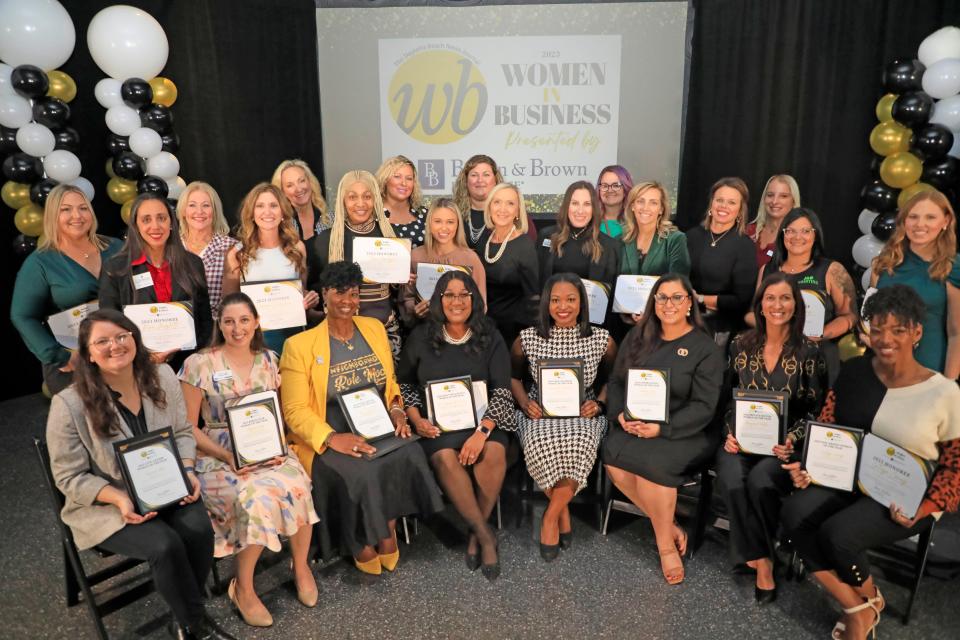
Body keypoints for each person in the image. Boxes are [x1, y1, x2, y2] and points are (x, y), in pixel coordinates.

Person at [781, 285, 960, 640]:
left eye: (898, 329)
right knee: (792, 515)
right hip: (850, 480)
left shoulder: (944, 393)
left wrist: (924, 508)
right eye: (877, 329)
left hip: (906, 498)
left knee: (839, 535)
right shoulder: (855, 371)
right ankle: (861, 605)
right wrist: (808, 466)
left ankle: (860, 608)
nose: (885, 338)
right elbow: (828, 425)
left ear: (917, 332)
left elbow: (955, 468)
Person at [46, 309, 235, 639]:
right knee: (165, 545)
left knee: (199, 530)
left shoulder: (161, 376)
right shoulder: (70, 404)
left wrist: (188, 469)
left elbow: (182, 432)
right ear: (88, 353)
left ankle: (185, 616)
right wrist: (117, 497)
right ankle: (195, 625)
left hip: (169, 483)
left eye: (122, 336)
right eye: (102, 341)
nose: (115, 345)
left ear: (135, 338)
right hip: (109, 503)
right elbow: (69, 477)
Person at [280, 261, 443, 574]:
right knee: (361, 471)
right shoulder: (299, 346)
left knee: (409, 452)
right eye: (339, 293)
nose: (347, 301)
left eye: (354, 294)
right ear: (324, 295)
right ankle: (360, 539)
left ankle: (387, 529)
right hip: (330, 432)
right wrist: (331, 438)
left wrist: (396, 408)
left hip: (377, 424)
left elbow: (390, 382)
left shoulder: (373, 329)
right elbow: (295, 410)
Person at [179, 292, 319, 628]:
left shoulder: (270, 359)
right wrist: (227, 454)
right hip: (217, 452)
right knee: (255, 497)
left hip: (266, 446)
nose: (237, 328)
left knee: (297, 482)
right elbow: (186, 427)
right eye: (229, 321)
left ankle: (299, 566)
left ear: (256, 322)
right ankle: (243, 587)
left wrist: (277, 448)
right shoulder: (199, 364)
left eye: (244, 320)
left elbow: (281, 414)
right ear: (220, 325)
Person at [602, 274, 724, 584]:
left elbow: (704, 406)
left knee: (652, 467)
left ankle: (665, 545)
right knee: (613, 456)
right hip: (635, 423)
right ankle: (668, 525)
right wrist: (618, 416)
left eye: (676, 297)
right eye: (662, 297)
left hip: (685, 430)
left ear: (689, 304)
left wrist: (662, 428)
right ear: (653, 303)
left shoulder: (704, 347)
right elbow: (616, 381)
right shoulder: (638, 336)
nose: (669, 304)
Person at [715, 273, 828, 603]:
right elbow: (726, 397)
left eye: (785, 298)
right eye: (770, 298)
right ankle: (764, 559)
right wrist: (729, 433)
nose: (777, 305)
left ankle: (754, 554)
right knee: (734, 478)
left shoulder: (810, 352)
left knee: (762, 481)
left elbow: (817, 411)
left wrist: (791, 439)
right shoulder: (740, 344)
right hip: (740, 440)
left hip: (784, 448)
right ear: (760, 305)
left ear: (796, 305)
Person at [397, 271, 512, 580]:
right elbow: (405, 384)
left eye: (464, 295)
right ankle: (485, 535)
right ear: (439, 300)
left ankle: (475, 534)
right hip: (438, 426)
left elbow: (502, 390)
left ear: (473, 299)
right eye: (449, 294)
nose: (457, 301)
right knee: (446, 458)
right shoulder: (421, 336)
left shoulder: (489, 334)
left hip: (484, 421)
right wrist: (417, 418)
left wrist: (482, 431)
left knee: (494, 453)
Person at [510, 274, 616, 561]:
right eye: (555, 300)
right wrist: (524, 403)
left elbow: (612, 381)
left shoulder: (601, 340)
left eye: (570, 299)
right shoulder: (527, 338)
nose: (563, 307)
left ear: (582, 303)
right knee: (537, 441)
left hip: (584, 409)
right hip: (539, 410)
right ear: (546, 304)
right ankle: (564, 514)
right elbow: (514, 379)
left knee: (581, 440)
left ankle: (550, 517)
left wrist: (600, 405)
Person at [11, 184, 122, 395]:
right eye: (66, 209)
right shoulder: (40, 262)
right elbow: (22, 316)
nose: (76, 215)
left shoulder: (115, 247)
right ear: (53, 216)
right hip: (75, 363)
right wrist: (58, 356)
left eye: (83, 208)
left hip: (119, 355)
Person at [99, 193, 212, 373]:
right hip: (138, 367)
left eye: (162, 218)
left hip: (188, 367)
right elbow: (109, 323)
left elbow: (205, 320)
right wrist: (143, 354)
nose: (155, 226)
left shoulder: (193, 263)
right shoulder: (116, 268)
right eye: (146, 220)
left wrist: (191, 353)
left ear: (171, 223)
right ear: (136, 226)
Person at [753, 208, 857, 382]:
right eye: (791, 231)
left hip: (818, 359)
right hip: (773, 357)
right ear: (782, 234)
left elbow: (851, 315)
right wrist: (770, 329)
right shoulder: (767, 270)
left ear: (815, 235)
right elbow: (752, 313)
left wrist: (822, 334)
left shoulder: (832, 270)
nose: (797, 236)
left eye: (805, 231)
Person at [310, 170, 405, 357]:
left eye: (367, 196)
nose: (361, 203)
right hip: (342, 330)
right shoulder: (327, 241)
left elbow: (396, 290)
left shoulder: (389, 235)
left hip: (385, 328)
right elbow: (319, 289)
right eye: (352, 197)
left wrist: (403, 278)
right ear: (343, 201)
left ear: (375, 199)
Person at [869, 189, 959, 379]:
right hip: (883, 371)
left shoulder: (953, 267)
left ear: (946, 222)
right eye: (913, 217)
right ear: (904, 221)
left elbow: (956, 334)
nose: (920, 224)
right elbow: (870, 321)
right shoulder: (883, 264)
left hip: (930, 372)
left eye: (930, 217)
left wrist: (948, 385)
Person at [223, 183, 318, 355]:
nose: (267, 212)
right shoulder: (237, 253)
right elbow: (228, 305)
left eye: (273, 205)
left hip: (292, 338)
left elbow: (301, 294)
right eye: (260, 206)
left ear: (282, 212)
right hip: (252, 342)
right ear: (251, 213)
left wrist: (309, 300)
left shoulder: (297, 248)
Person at [686, 177, 758, 346]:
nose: (724, 206)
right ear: (711, 203)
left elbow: (741, 301)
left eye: (732, 202)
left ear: (740, 210)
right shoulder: (691, 236)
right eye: (719, 200)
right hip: (685, 320)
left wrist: (701, 298)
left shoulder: (744, 245)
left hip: (721, 330)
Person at [402, 198, 487, 323]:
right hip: (424, 329)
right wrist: (415, 310)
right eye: (438, 221)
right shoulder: (415, 256)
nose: (444, 228)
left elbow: (481, 304)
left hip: (461, 331)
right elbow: (406, 298)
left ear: (457, 224)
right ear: (429, 224)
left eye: (450, 222)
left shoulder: (470, 258)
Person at [476, 182, 540, 347]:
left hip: (513, 333)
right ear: (489, 207)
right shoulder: (483, 241)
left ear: (517, 211)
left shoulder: (524, 245)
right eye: (497, 202)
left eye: (510, 203)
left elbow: (533, 297)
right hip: (482, 329)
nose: (502, 208)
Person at [536, 181, 620, 291]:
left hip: (591, 308)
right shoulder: (546, 236)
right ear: (567, 206)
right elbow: (536, 282)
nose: (580, 211)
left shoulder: (610, 246)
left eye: (587, 204)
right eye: (575, 203)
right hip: (551, 307)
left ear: (594, 209)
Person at [176, 181, 238, 321]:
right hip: (177, 331)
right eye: (192, 205)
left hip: (218, 332)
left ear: (214, 211)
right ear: (183, 211)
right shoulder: (170, 248)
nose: (199, 212)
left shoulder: (231, 248)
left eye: (206, 205)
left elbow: (236, 301)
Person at [619, 181, 690, 279]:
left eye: (653, 203)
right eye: (640, 201)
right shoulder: (619, 239)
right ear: (632, 206)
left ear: (661, 209)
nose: (645, 207)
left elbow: (678, 281)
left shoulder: (675, 240)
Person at [745, 175, 800, 268]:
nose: (774, 201)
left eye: (783, 196)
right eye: (770, 195)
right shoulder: (748, 231)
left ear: (793, 201)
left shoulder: (797, 239)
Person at [271, 159, 331, 243]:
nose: (298, 189)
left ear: (310, 182)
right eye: (289, 185)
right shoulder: (278, 225)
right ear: (282, 192)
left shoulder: (331, 219)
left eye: (302, 181)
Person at [453, 154, 504, 250]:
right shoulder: (453, 213)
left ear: (496, 180)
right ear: (465, 181)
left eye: (486, 175)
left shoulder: (508, 214)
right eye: (474, 175)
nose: (480, 180)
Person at [376, 155, 428, 247]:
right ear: (385, 180)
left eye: (409, 178)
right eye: (397, 176)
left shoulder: (426, 215)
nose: (404, 183)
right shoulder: (372, 215)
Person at [596, 164, 634, 238]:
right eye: (605, 186)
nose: (610, 190)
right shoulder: (591, 223)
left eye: (616, 185)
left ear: (626, 188)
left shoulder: (637, 221)